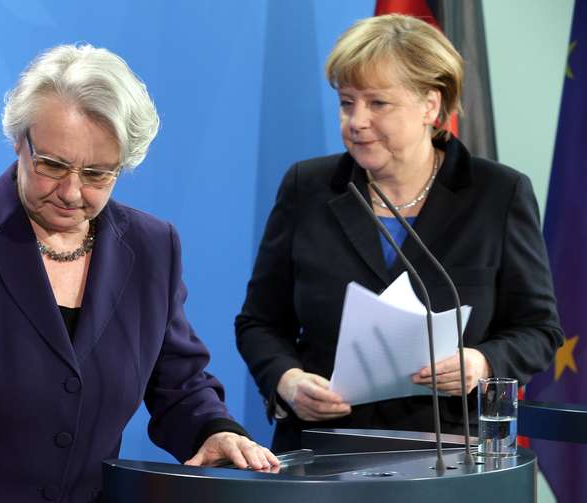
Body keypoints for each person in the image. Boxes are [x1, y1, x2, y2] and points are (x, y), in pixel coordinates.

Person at [0, 44, 277, 503]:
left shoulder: (153, 247)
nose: (71, 192)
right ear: (20, 141)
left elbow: (178, 382)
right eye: (53, 165)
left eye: (98, 173)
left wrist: (211, 429)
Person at [235, 14, 564, 453]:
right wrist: (287, 380)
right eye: (347, 102)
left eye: (378, 104)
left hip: (450, 453)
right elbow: (259, 322)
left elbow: (538, 329)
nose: (356, 121)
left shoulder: (497, 194)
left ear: (430, 105)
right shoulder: (307, 188)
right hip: (324, 451)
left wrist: (481, 362)